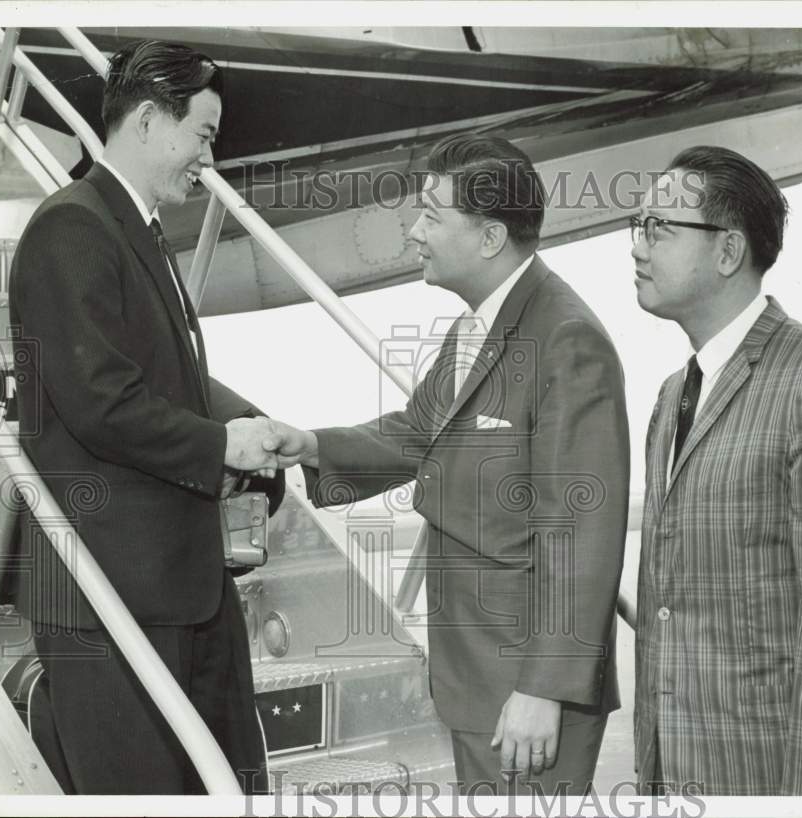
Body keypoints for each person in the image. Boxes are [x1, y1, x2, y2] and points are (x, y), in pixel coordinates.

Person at [264, 134, 630, 794]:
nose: (413, 231)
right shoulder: (480, 326)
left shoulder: (566, 340)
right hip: (480, 677)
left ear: (489, 238)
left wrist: (543, 689)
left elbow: (583, 534)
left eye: (432, 214)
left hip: (524, 691)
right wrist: (310, 445)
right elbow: (418, 434)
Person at [7, 40, 283, 795]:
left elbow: (167, 377)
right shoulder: (73, 227)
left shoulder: (135, 228)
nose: (209, 157)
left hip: (177, 585)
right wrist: (222, 444)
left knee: (228, 788)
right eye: (203, 134)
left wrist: (254, 430)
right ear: (150, 121)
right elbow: (101, 399)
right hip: (111, 596)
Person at [630, 145, 802, 794]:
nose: (638, 247)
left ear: (728, 252)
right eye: (636, 226)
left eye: (660, 229)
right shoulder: (672, 397)